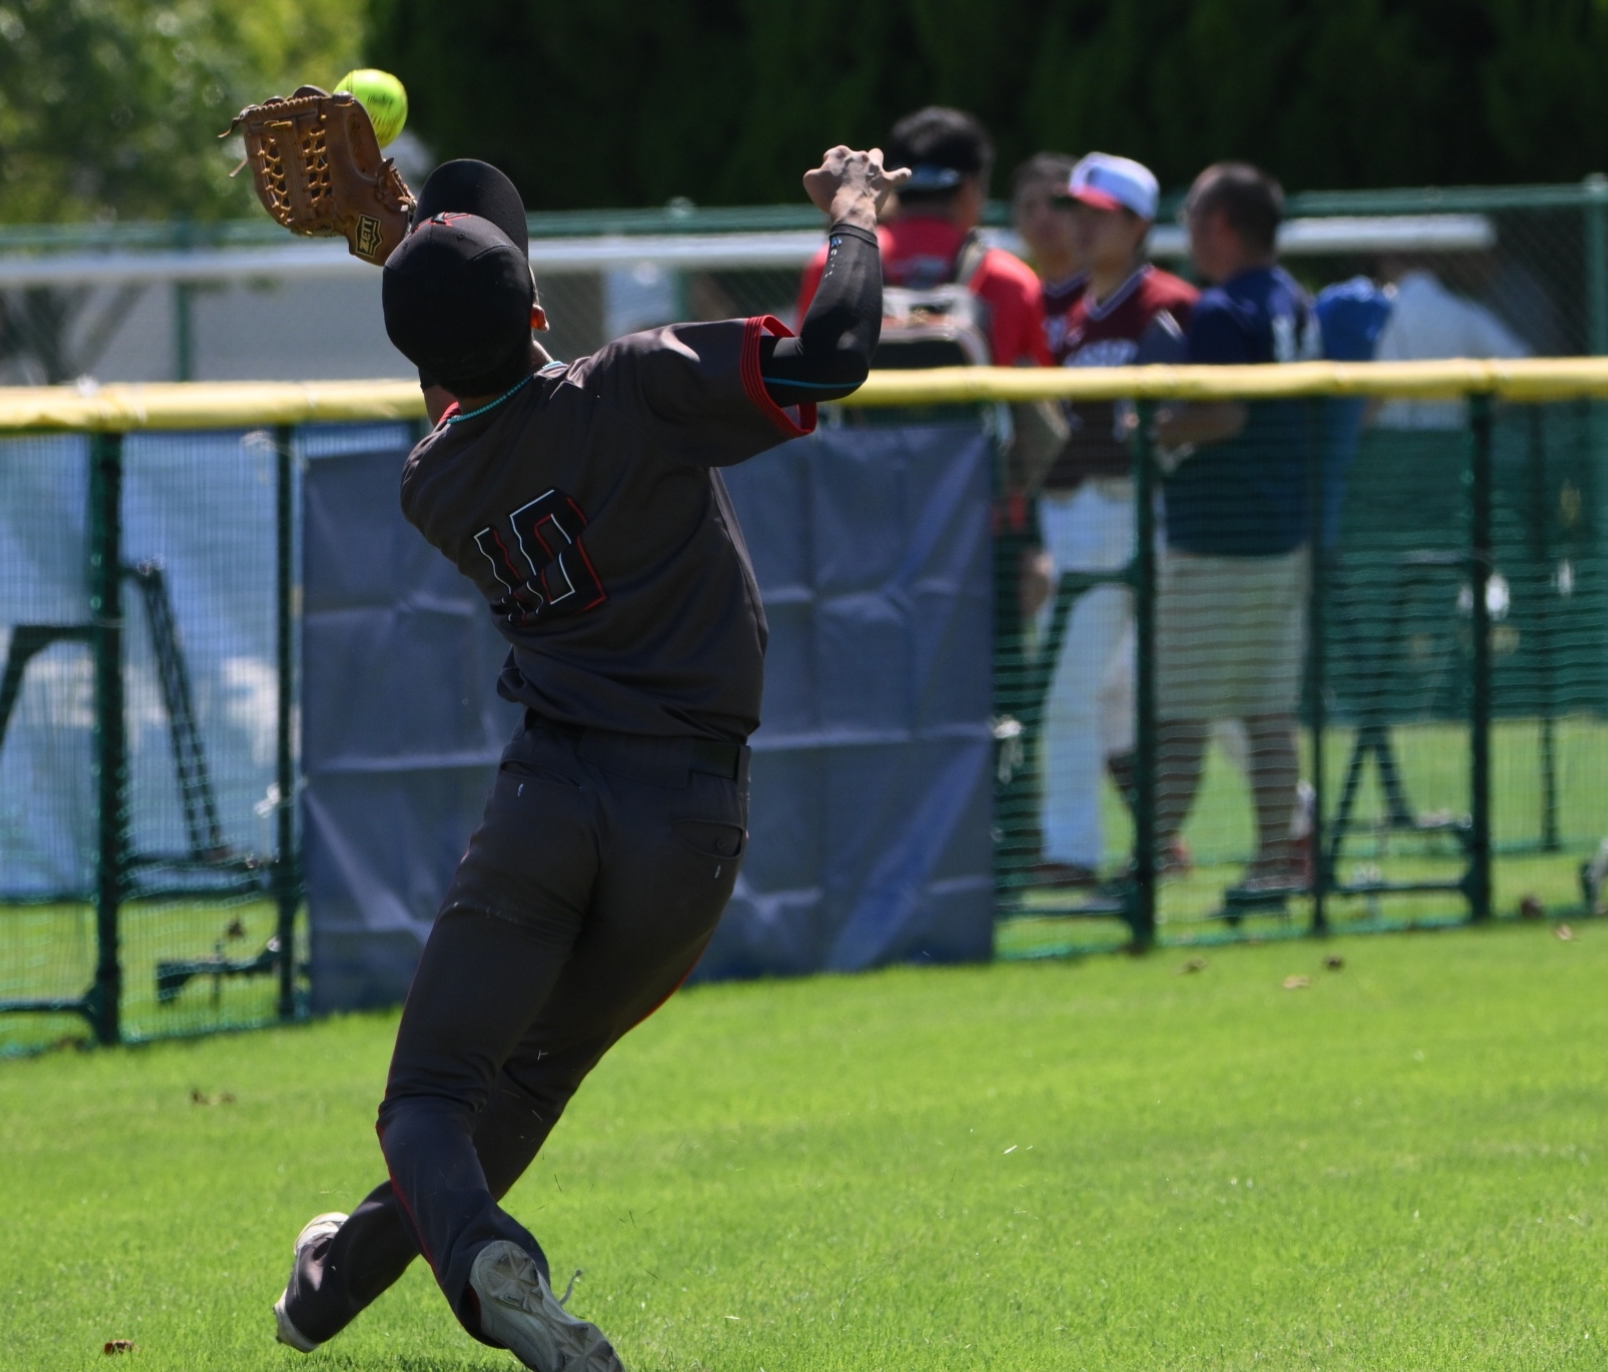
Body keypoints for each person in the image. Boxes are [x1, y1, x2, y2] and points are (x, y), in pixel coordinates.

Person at [271, 147, 902, 1371]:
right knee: (530, 1081)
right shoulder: (635, 385)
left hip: (551, 798)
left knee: (429, 1100)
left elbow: (469, 384)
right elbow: (832, 352)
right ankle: (384, 1274)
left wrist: (415, 254)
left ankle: (395, 1269)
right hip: (689, 822)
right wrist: (858, 214)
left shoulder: (432, 482)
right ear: (538, 313)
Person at [1148, 163, 1320, 892]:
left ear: (1220, 225)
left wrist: (1150, 426)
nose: (1185, 231)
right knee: (1267, 713)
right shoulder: (1295, 300)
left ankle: (1143, 871)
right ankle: (1274, 865)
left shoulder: (1220, 309)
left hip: (1217, 539)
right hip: (1281, 533)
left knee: (1179, 716)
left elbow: (1224, 415)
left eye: (1191, 216)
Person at [1032, 152, 1194, 888]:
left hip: (1128, 511)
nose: (1081, 226)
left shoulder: (1167, 303)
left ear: (1137, 225)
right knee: (1119, 693)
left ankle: (1071, 854)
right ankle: (1290, 818)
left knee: (1073, 686)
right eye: (1077, 211)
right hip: (1071, 515)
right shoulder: (1073, 316)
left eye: (1100, 215)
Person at [793, 106, 1049, 370]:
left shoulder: (831, 265)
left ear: (893, 182)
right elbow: (1043, 385)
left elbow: (803, 375)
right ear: (970, 188)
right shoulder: (1011, 280)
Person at [1370, 257, 1529, 428]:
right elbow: (1522, 364)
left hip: (1387, 434)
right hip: (1452, 435)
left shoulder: (1373, 314)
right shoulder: (1463, 310)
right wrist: (1482, 407)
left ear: (1387, 264)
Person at [1011, 151, 1086, 357]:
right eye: (1029, 207)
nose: (1042, 216)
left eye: (1056, 203)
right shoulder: (1016, 301)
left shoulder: (1108, 297)